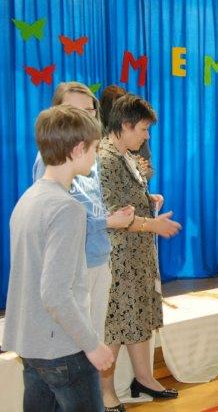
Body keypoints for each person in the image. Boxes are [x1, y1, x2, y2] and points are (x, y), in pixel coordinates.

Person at [3, 106, 114, 411]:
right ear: (78, 149)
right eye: (94, 149)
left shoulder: (28, 199)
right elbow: (55, 293)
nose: (96, 156)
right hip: (62, 348)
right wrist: (92, 344)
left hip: (32, 345)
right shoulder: (68, 208)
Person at [32, 82, 134, 347]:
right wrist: (108, 221)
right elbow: (55, 220)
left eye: (90, 110)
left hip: (98, 257)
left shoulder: (91, 156)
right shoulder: (49, 160)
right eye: (74, 110)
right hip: (73, 264)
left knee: (94, 337)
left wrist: (110, 215)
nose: (84, 117)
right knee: (72, 344)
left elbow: (89, 206)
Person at [99, 94, 182, 409]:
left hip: (137, 254)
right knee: (115, 325)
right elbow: (112, 215)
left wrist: (150, 199)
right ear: (125, 125)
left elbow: (130, 197)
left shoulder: (127, 155)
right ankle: (105, 392)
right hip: (118, 258)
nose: (146, 136)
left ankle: (144, 378)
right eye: (143, 129)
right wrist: (152, 224)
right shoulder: (106, 158)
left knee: (138, 317)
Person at [100, 85, 154, 179]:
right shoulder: (98, 141)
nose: (147, 136)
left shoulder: (140, 136)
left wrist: (143, 171)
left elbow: (149, 170)